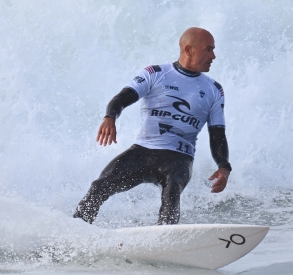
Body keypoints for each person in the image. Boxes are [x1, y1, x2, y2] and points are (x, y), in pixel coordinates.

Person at [73, 27, 232, 225]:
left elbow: (217, 134)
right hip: (143, 151)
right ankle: (75, 230)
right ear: (189, 49)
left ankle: (164, 238)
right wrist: (109, 117)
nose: (213, 55)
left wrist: (224, 167)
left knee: (172, 191)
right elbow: (122, 98)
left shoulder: (214, 90)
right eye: (208, 49)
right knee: (99, 187)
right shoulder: (155, 74)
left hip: (179, 158)